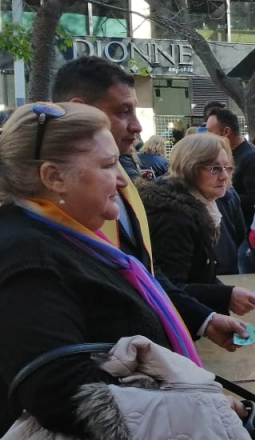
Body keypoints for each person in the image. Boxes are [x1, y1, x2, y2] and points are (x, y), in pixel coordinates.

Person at [0, 103, 209, 435]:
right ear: (54, 177)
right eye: (109, 165)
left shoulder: (71, 238)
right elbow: (61, 392)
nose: (123, 182)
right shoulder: (29, 256)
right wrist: (198, 406)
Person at [52, 55, 246, 354]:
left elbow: (146, 273)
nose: (137, 126)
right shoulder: (35, 228)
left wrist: (204, 319)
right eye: (123, 111)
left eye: (227, 168)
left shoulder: (129, 187)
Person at [139, 134, 255, 317]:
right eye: (215, 169)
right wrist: (225, 296)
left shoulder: (206, 204)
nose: (224, 176)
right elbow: (170, 289)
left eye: (227, 168)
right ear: (190, 168)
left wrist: (225, 294)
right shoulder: (174, 217)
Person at [207, 107, 255, 228]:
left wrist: (220, 195)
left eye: (210, 132)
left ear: (226, 132)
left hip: (246, 229)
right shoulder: (226, 152)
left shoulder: (253, 158)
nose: (207, 137)